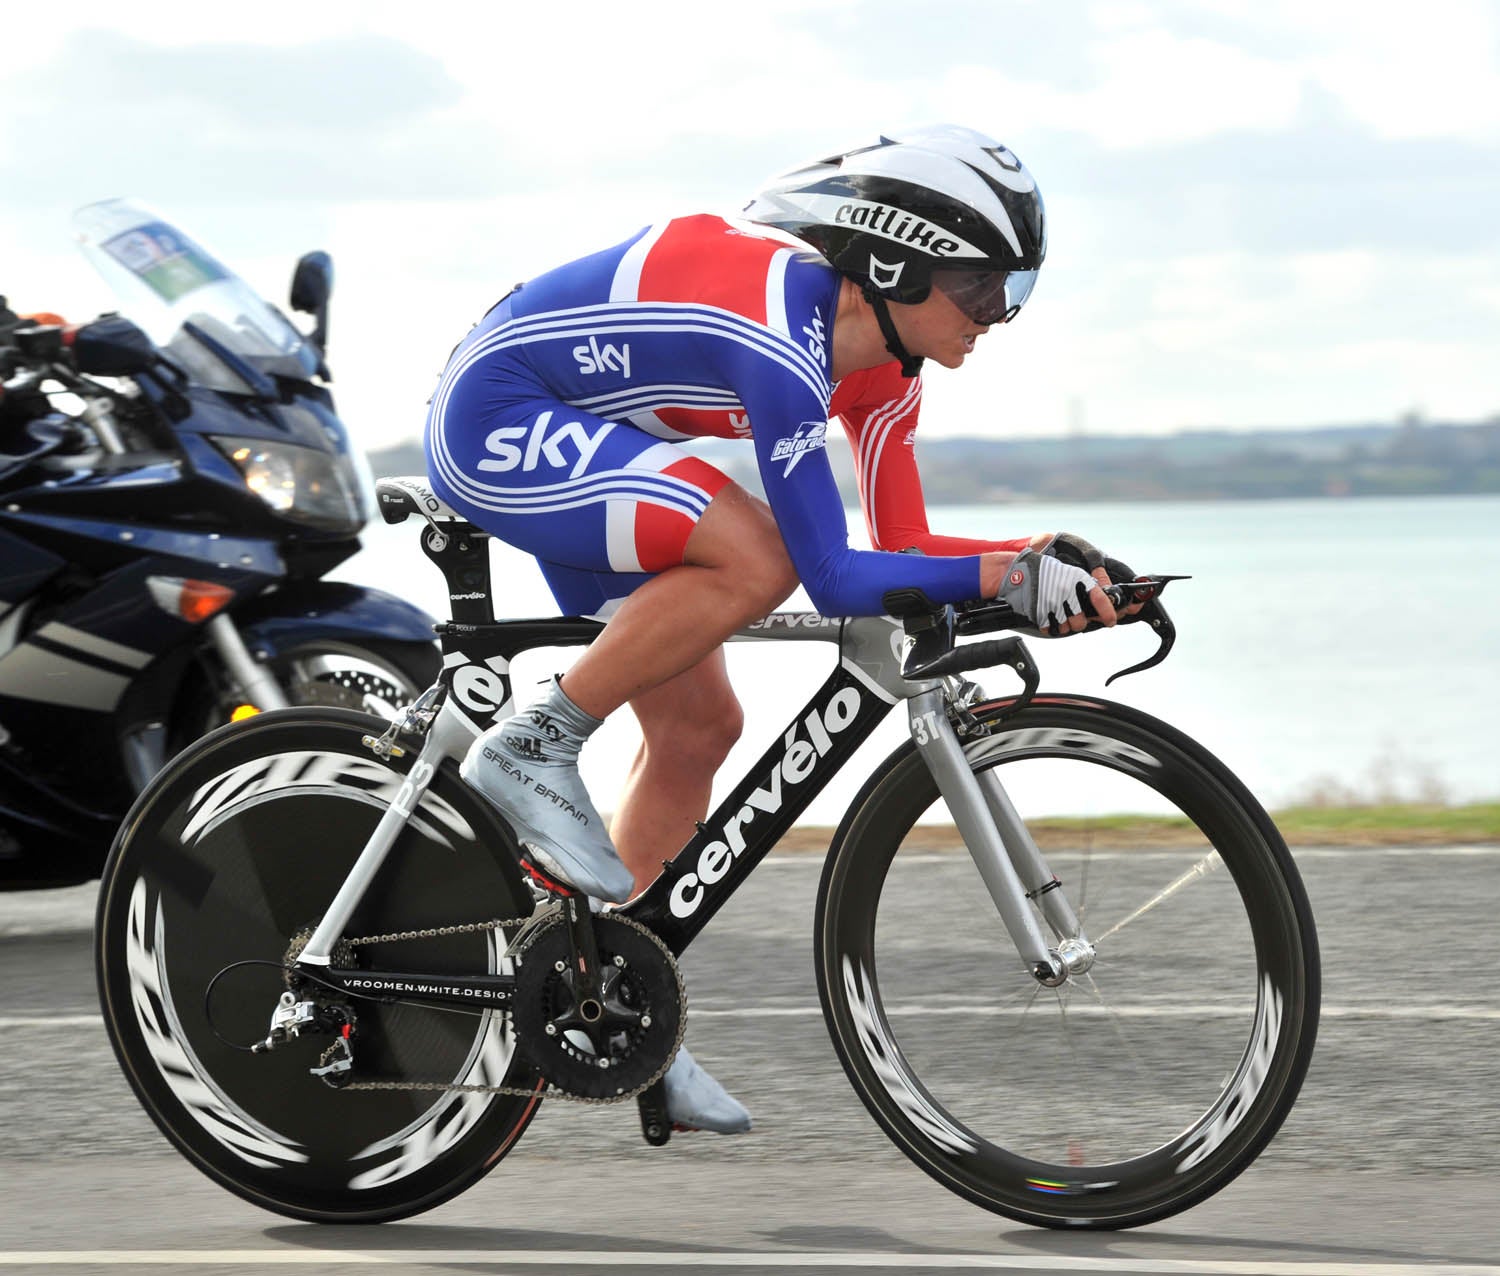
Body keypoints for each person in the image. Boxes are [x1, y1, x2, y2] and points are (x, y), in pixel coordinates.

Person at [424, 124, 1134, 1134]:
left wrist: (1042, 560)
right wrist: (1009, 580)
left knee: (697, 731)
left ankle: (613, 997)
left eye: (1013, 292)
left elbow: (904, 544)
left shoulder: (885, 370)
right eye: (982, 288)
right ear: (897, 264)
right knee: (759, 558)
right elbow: (831, 574)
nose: (999, 316)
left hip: (594, 435)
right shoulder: (779, 335)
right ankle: (533, 741)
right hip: (498, 416)